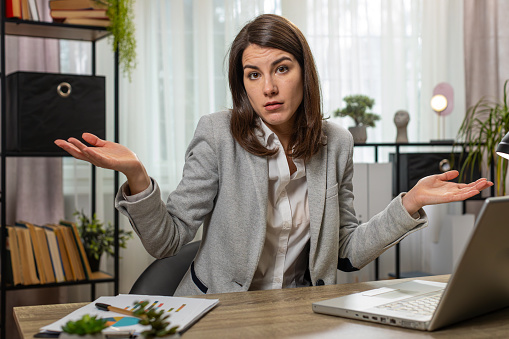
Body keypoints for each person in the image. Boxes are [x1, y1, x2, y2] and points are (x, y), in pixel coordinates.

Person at [55, 14, 492, 296]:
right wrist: (137, 175)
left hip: (303, 312)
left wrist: (410, 202)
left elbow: (346, 252)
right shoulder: (218, 134)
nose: (268, 87)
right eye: (253, 74)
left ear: (304, 72)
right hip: (218, 313)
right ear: (241, 83)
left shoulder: (336, 142)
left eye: (281, 68)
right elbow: (168, 240)